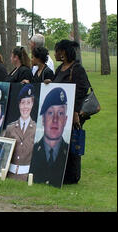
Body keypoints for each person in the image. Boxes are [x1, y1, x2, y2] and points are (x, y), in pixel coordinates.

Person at [46, 40, 90, 185]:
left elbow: (83, 90)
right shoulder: (60, 69)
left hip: (73, 113)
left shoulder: (77, 69)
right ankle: (58, 172)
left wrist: (76, 111)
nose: (55, 53)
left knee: (72, 142)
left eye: (57, 51)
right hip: (58, 113)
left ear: (63, 52)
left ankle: (72, 176)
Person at [29, 87, 69, 188]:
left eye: (60, 113)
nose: (55, 120)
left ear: (65, 119)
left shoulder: (68, 151)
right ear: (43, 119)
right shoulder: (32, 150)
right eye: (50, 113)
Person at [3, 84, 37, 181]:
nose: (25, 106)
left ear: (32, 104)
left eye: (28, 102)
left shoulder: (37, 129)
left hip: (27, 175)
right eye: (22, 103)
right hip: (10, 174)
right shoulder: (10, 128)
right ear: (19, 104)